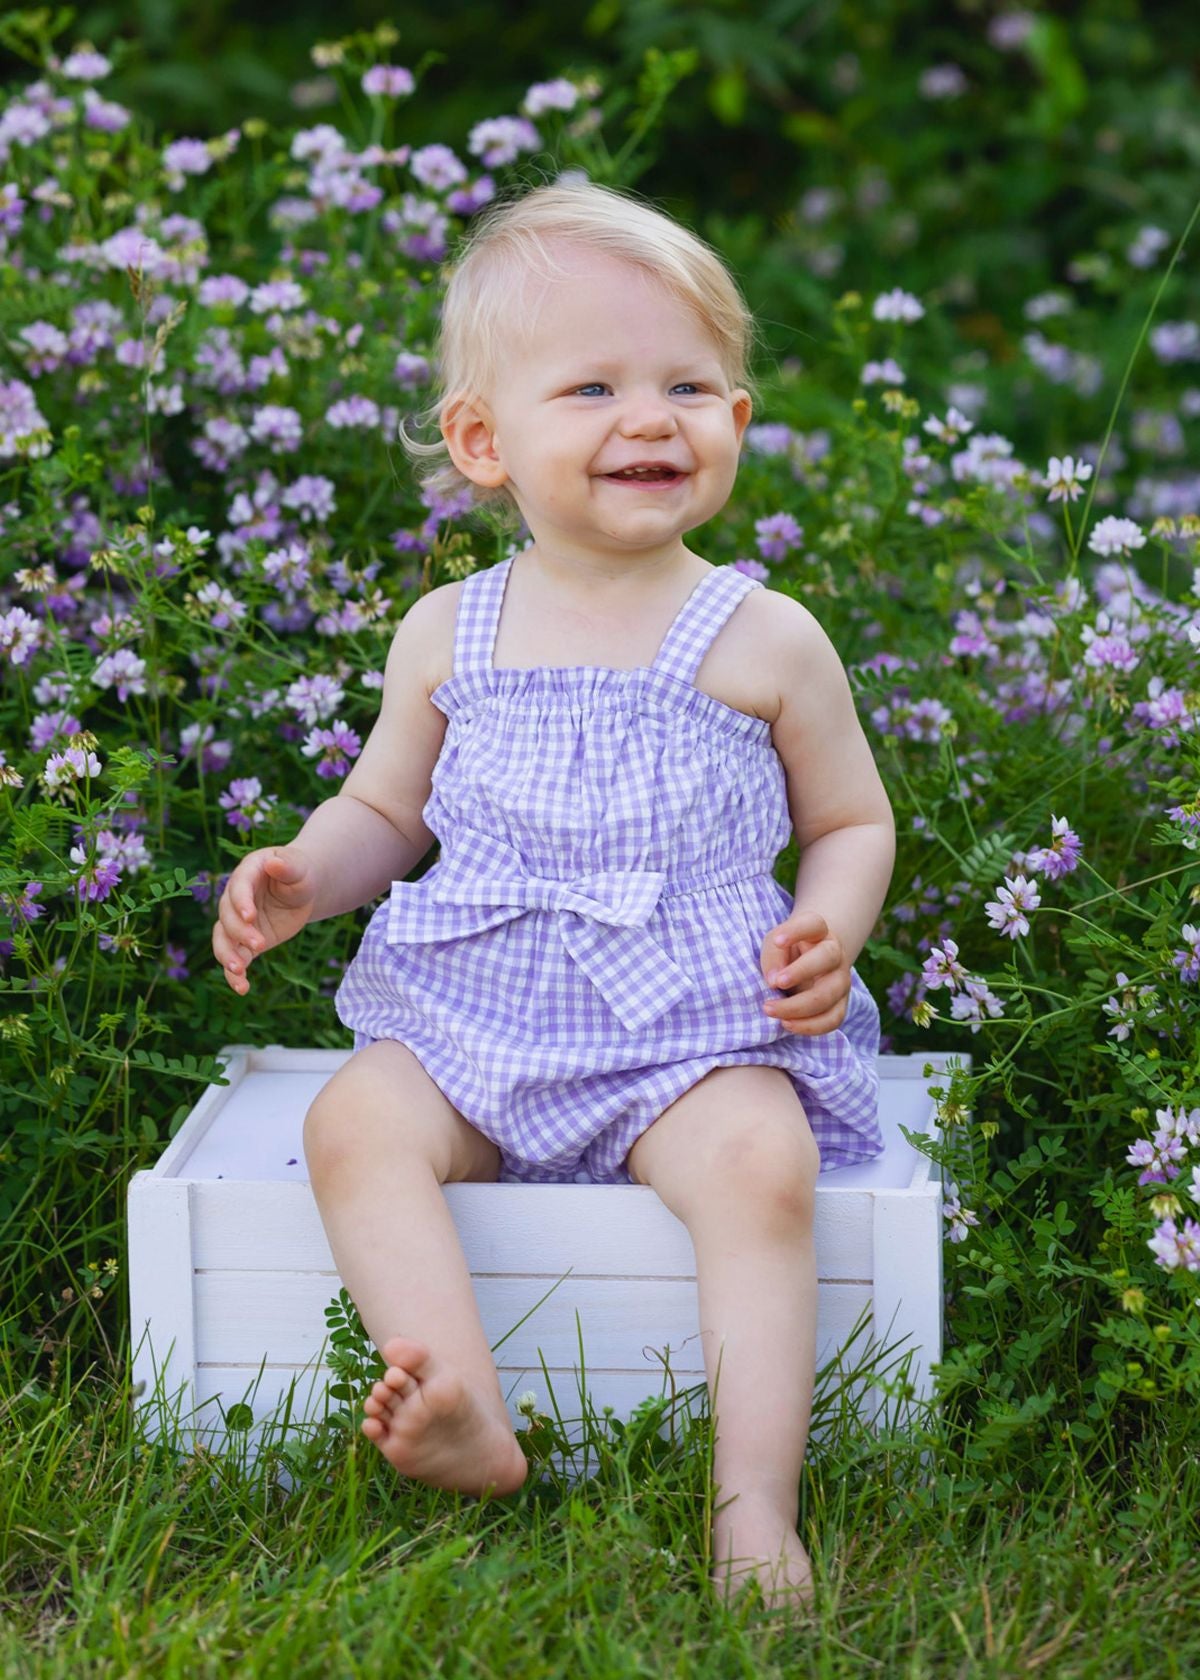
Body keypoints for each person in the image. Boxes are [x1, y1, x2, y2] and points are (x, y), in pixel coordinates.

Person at [212, 179, 895, 1611]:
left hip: (691, 1028)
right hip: (486, 1016)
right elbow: (387, 812)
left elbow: (850, 817)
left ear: (737, 426)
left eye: (689, 386)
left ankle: (756, 1507)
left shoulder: (766, 636)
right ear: (484, 441)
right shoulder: (449, 630)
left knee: (761, 1163)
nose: (650, 418)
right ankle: (458, 1397)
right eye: (592, 386)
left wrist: (834, 923)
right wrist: (304, 874)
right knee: (356, 1121)